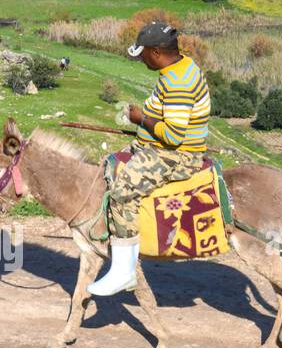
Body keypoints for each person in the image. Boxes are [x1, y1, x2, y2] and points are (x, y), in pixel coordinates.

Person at [87, 21, 211, 296]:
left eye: (142, 54)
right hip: (160, 147)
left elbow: (174, 135)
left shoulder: (178, 81)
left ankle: (124, 271)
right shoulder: (179, 67)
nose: (141, 59)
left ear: (156, 52)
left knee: (122, 193)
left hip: (177, 155)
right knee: (111, 165)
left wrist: (140, 118)